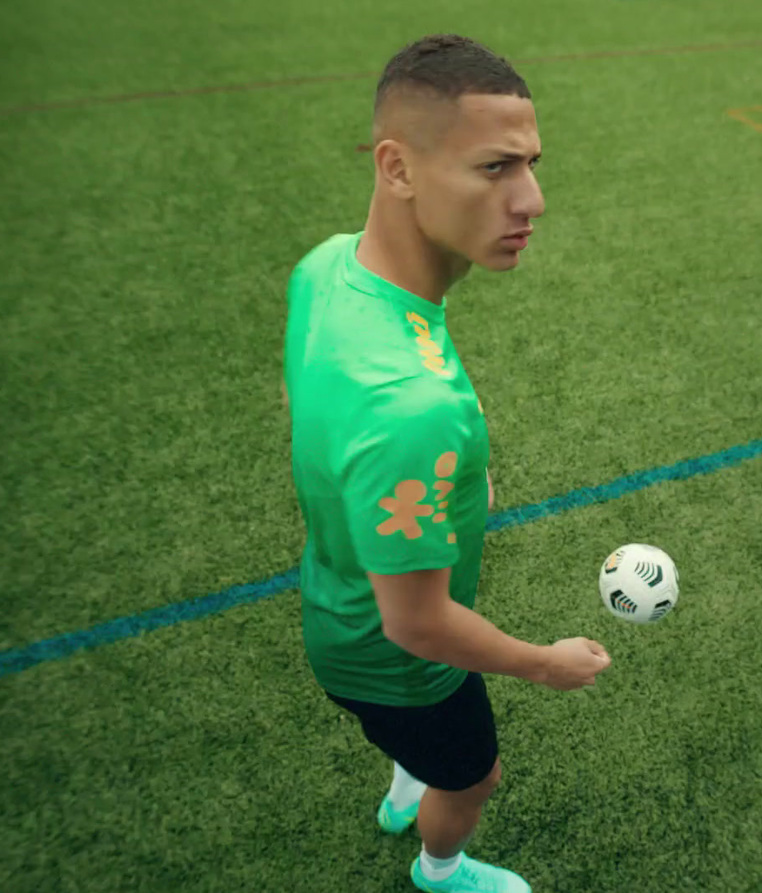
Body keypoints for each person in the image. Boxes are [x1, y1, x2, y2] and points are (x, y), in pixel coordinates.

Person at [281, 33, 612, 893]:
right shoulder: (412, 411)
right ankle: (440, 865)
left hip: (333, 593)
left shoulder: (327, 268)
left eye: (532, 164)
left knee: (408, 744)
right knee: (471, 776)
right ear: (398, 168)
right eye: (495, 168)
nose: (532, 199)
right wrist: (547, 661)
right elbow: (418, 625)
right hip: (398, 662)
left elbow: (334, 430)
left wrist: (435, 488)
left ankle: (402, 777)